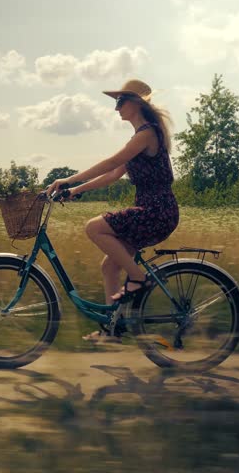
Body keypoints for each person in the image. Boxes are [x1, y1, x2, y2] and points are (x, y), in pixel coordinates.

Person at [45, 79, 179, 340]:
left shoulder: (147, 134)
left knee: (94, 227)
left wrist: (67, 179)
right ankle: (114, 329)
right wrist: (75, 191)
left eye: (120, 101)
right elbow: (114, 174)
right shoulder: (140, 137)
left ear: (135, 103)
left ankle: (139, 279)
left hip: (157, 211)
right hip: (152, 210)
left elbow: (111, 162)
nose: (116, 108)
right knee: (109, 267)